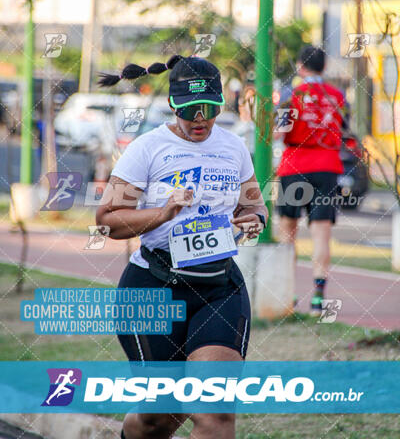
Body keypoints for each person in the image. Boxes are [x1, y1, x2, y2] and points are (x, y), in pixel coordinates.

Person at [96, 55, 268, 439]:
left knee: (215, 414)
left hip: (219, 287)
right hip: (152, 286)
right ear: (174, 106)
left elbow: (255, 205)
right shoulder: (147, 148)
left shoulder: (234, 148)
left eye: (209, 109)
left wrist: (254, 219)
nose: (200, 119)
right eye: (190, 110)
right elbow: (107, 220)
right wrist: (164, 210)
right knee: (161, 417)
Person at [274, 46, 347, 315]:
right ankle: (318, 298)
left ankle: (288, 293)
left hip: (294, 166)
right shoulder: (338, 96)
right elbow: (345, 131)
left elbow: (279, 133)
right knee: (321, 233)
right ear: (324, 67)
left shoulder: (290, 94)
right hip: (328, 167)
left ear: (299, 66)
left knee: (287, 232)